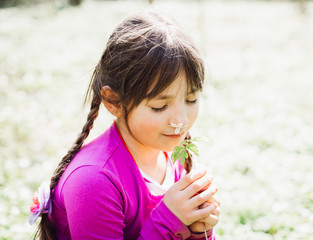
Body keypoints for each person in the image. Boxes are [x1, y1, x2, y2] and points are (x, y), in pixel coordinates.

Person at [29, 11, 220, 240]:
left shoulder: (178, 159)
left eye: (191, 100)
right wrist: (170, 219)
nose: (180, 120)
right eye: (159, 106)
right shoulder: (94, 180)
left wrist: (199, 231)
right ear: (113, 101)